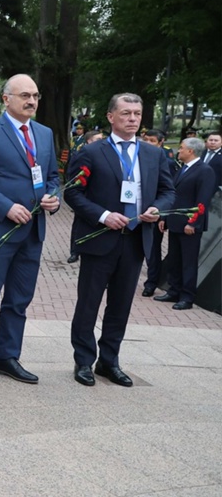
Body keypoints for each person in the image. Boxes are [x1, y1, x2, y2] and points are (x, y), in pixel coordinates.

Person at [64, 94, 174, 386]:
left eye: (137, 113)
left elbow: (168, 191)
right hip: (100, 238)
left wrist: (157, 208)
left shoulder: (154, 154)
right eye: (126, 113)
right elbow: (73, 193)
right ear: (111, 117)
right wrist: (102, 216)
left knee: (121, 304)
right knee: (89, 303)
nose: (133, 119)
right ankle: (84, 361)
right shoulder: (91, 152)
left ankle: (109, 361)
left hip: (135, 239)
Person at [0, 74, 60, 388]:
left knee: (19, 300)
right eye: (24, 96)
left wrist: (53, 198)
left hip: (33, 232)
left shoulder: (44, 134)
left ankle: (7, 356)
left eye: (35, 95)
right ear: (7, 99)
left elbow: (53, 176)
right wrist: (5, 206)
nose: (31, 101)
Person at [154, 137, 214, 310]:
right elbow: (173, 196)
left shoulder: (205, 170)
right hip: (175, 222)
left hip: (189, 225)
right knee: (174, 259)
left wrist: (193, 223)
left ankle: (187, 296)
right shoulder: (182, 169)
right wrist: (164, 217)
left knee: (188, 261)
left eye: (181, 148)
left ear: (191, 151)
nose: (178, 151)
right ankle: (174, 290)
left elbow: (202, 201)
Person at [137, 129, 176, 291]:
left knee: (153, 250)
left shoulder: (168, 162)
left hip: (154, 214)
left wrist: (162, 215)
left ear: (161, 143)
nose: (148, 143)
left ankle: (151, 282)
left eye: (152, 141)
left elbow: (167, 191)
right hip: (136, 214)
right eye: (146, 140)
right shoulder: (137, 158)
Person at [66, 130, 105, 264]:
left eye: (102, 139)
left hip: (97, 198)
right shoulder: (82, 153)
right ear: (89, 141)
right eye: (97, 139)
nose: (101, 142)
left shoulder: (105, 154)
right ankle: (74, 251)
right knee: (78, 223)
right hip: (84, 196)